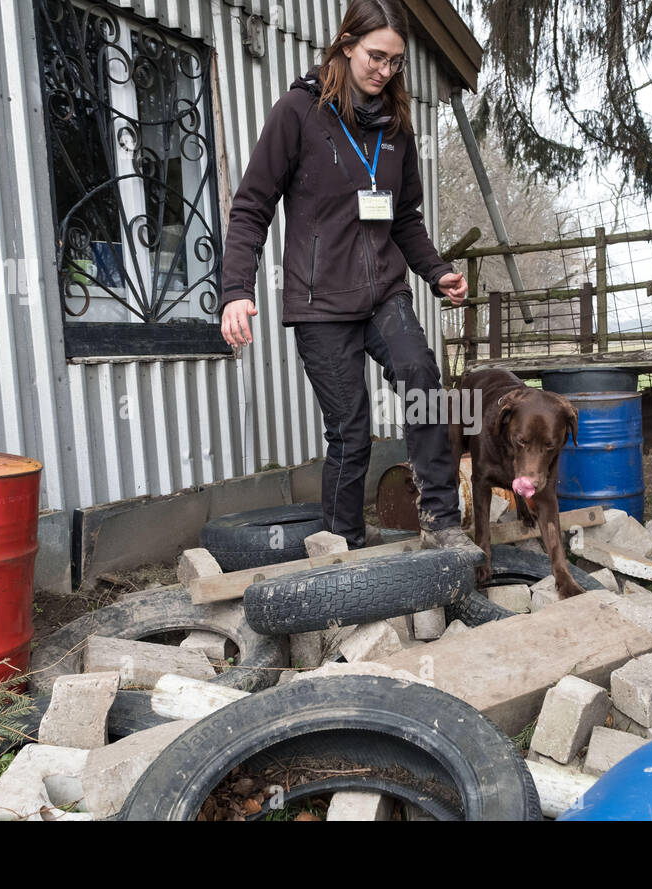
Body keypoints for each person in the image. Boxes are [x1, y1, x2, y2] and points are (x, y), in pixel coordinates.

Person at [218, 0, 481, 557]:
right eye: (375, 57)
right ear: (345, 45)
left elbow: (404, 216)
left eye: (395, 63)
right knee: (351, 430)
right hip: (320, 304)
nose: (384, 71)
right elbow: (251, 207)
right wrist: (236, 292)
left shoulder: (396, 124)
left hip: (384, 292)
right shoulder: (299, 112)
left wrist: (437, 273)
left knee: (424, 384)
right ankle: (344, 550)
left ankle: (442, 521)